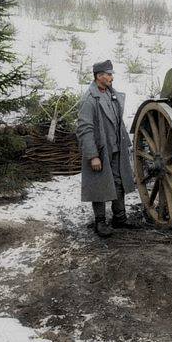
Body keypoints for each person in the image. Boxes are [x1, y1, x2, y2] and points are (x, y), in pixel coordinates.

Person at [76, 60, 137, 237]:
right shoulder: (89, 99)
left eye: (111, 74)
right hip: (100, 150)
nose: (111, 77)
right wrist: (93, 156)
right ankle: (100, 222)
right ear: (99, 76)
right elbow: (84, 130)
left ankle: (120, 218)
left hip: (116, 147)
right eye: (109, 74)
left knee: (119, 182)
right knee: (99, 185)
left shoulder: (113, 95)